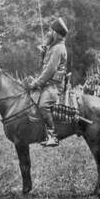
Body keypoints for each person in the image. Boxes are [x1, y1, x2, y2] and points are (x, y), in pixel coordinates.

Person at [26, 17, 68, 147]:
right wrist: (43, 53)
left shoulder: (58, 48)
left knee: (43, 105)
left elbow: (50, 70)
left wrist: (36, 83)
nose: (48, 34)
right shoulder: (52, 48)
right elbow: (43, 67)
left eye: (51, 31)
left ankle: (53, 135)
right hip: (48, 83)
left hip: (54, 85)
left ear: (56, 33)